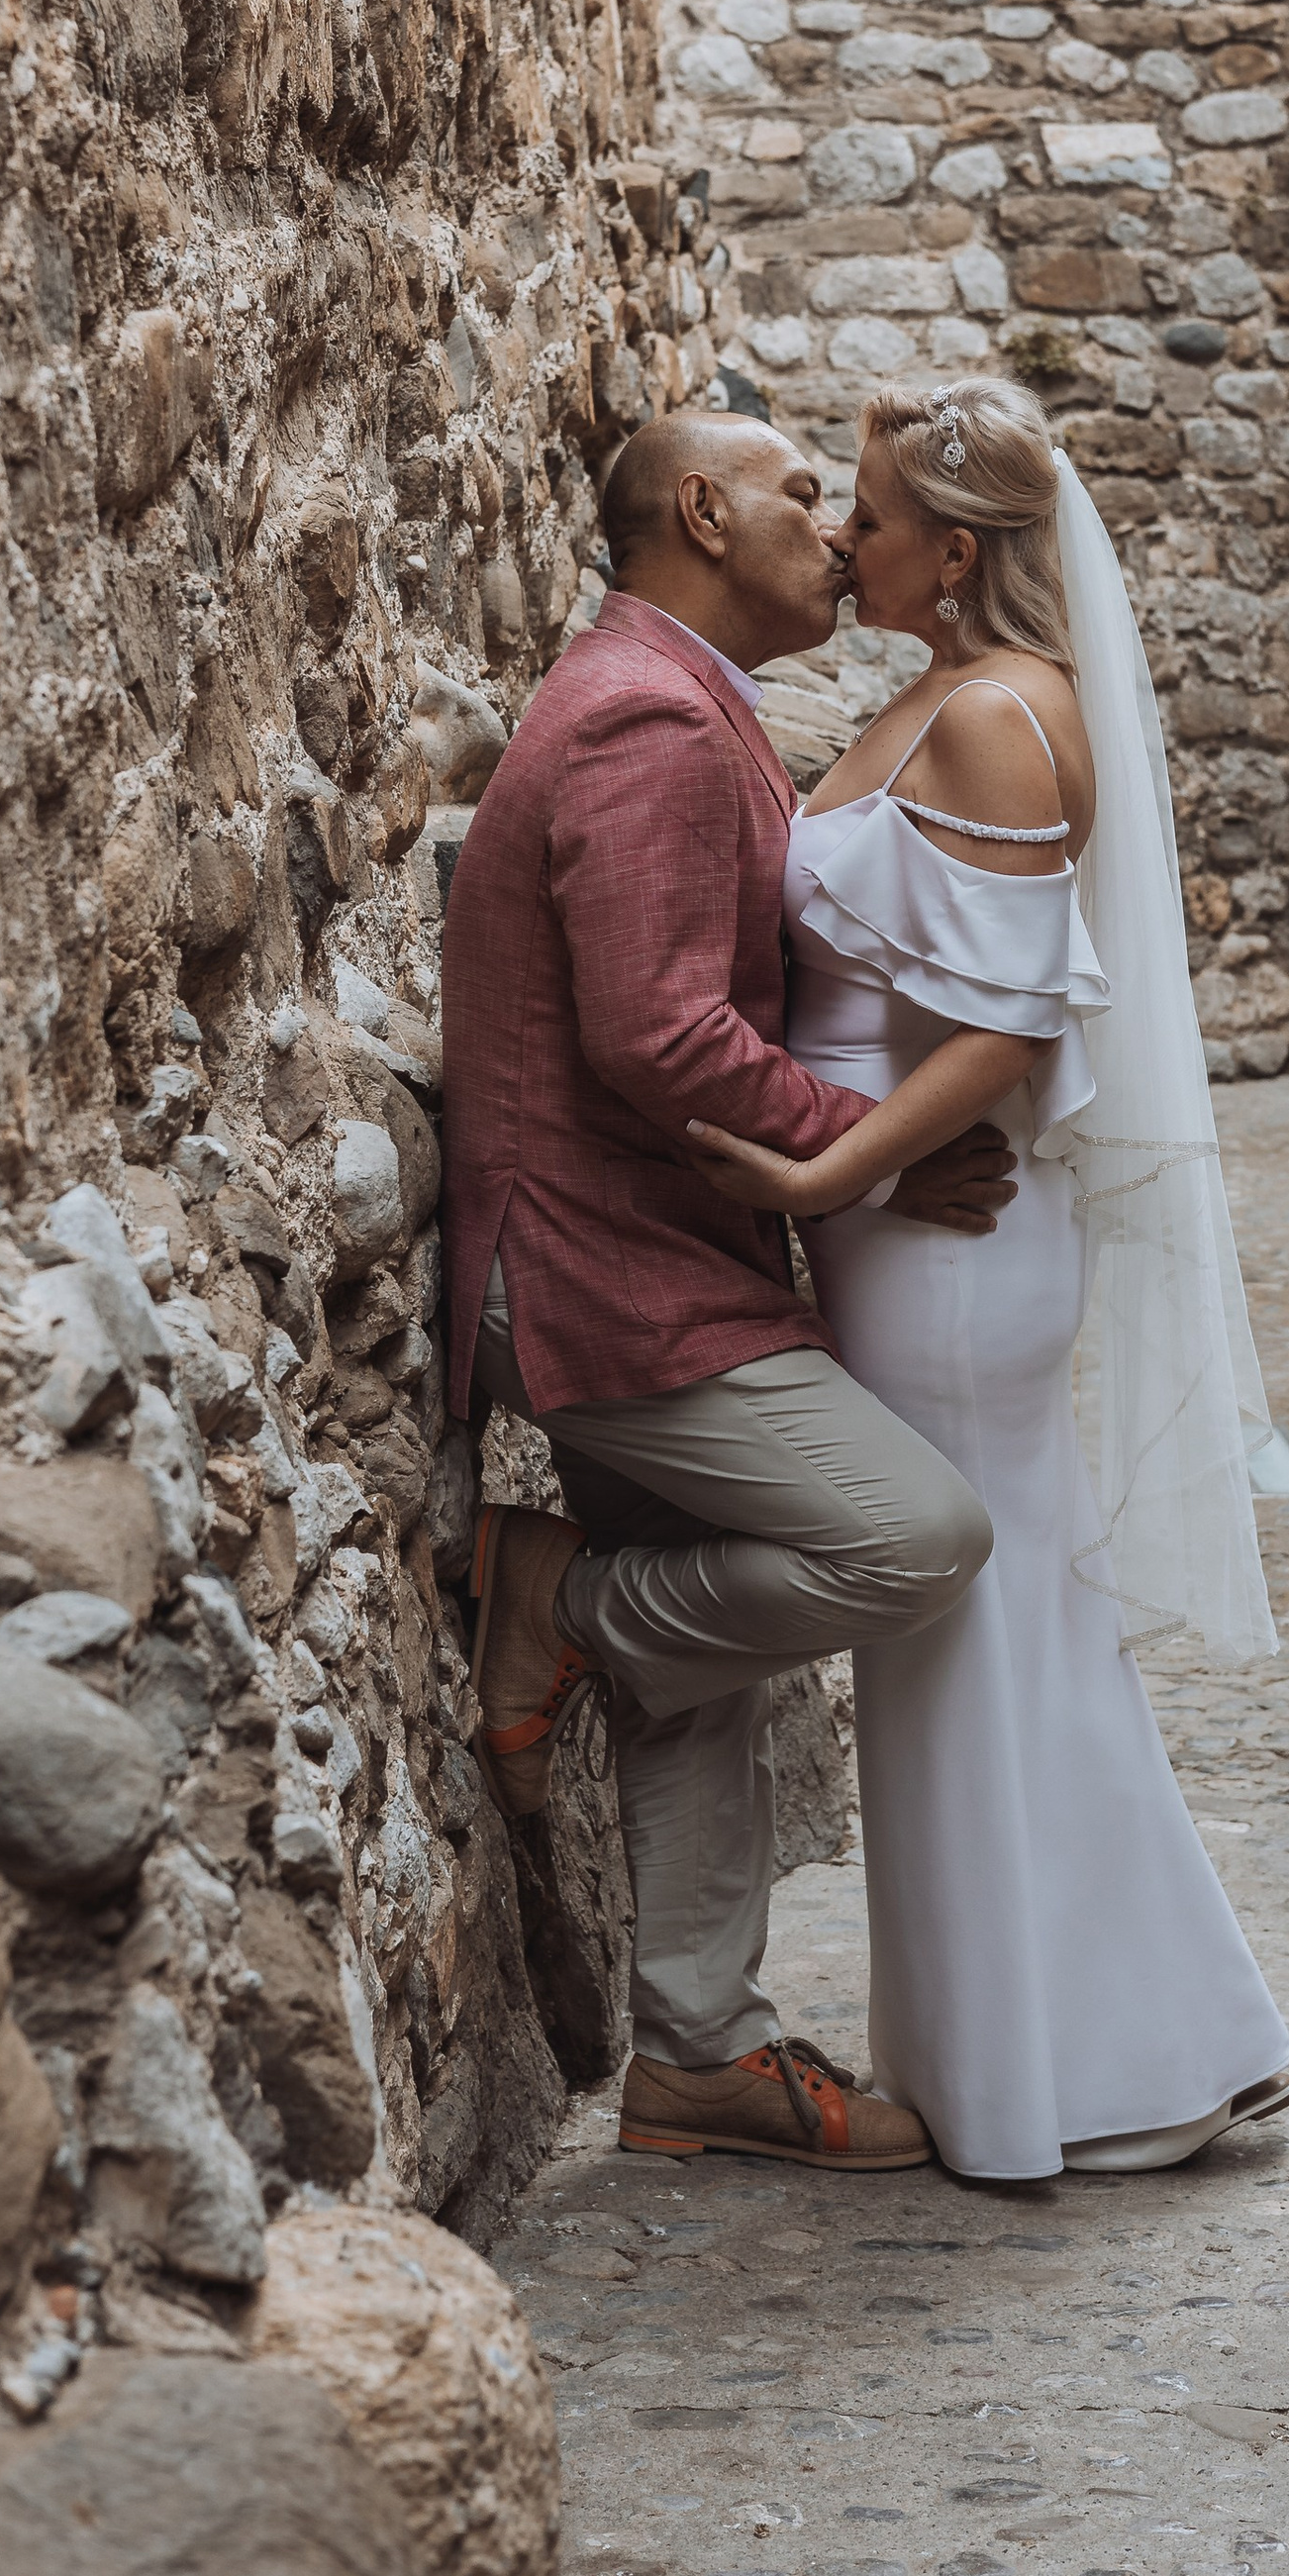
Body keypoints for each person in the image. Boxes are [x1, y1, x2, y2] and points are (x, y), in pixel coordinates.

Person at [684, 374, 1289, 2178]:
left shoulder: (1003, 722)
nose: (839, 536)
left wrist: (824, 1169)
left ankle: (1080, 2066)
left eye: (866, 517)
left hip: (946, 1252)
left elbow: (1010, 1029)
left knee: (987, 1635)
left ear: (951, 556)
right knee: (994, 1637)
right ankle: (1089, 2049)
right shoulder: (934, 697)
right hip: (909, 1235)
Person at [441, 406, 1020, 2172]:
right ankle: (561, 1605)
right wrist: (892, 1145)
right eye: (793, 498)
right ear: (699, 508)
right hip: (606, 1279)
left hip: (659, 1261)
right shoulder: (642, 712)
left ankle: (698, 2052)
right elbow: (657, 1034)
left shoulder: (690, 699)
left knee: (715, 1682)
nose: (836, 536)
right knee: (913, 1537)